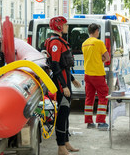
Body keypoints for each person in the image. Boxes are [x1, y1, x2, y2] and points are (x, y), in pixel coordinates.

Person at [45, 16, 81, 155]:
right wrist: (64, 85)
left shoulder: (60, 41)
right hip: (61, 84)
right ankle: (61, 147)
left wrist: (71, 79)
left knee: (66, 113)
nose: (67, 27)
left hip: (65, 81)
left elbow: (63, 64)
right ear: (59, 27)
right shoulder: (55, 43)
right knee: (62, 113)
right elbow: (55, 65)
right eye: (65, 25)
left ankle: (66, 142)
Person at [82, 23, 110, 130]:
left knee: (89, 98)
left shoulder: (84, 44)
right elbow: (107, 57)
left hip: (87, 74)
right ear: (97, 31)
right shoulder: (99, 43)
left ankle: (89, 122)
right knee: (103, 96)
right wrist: (100, 60)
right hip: (97, 74)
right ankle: (101, 121)